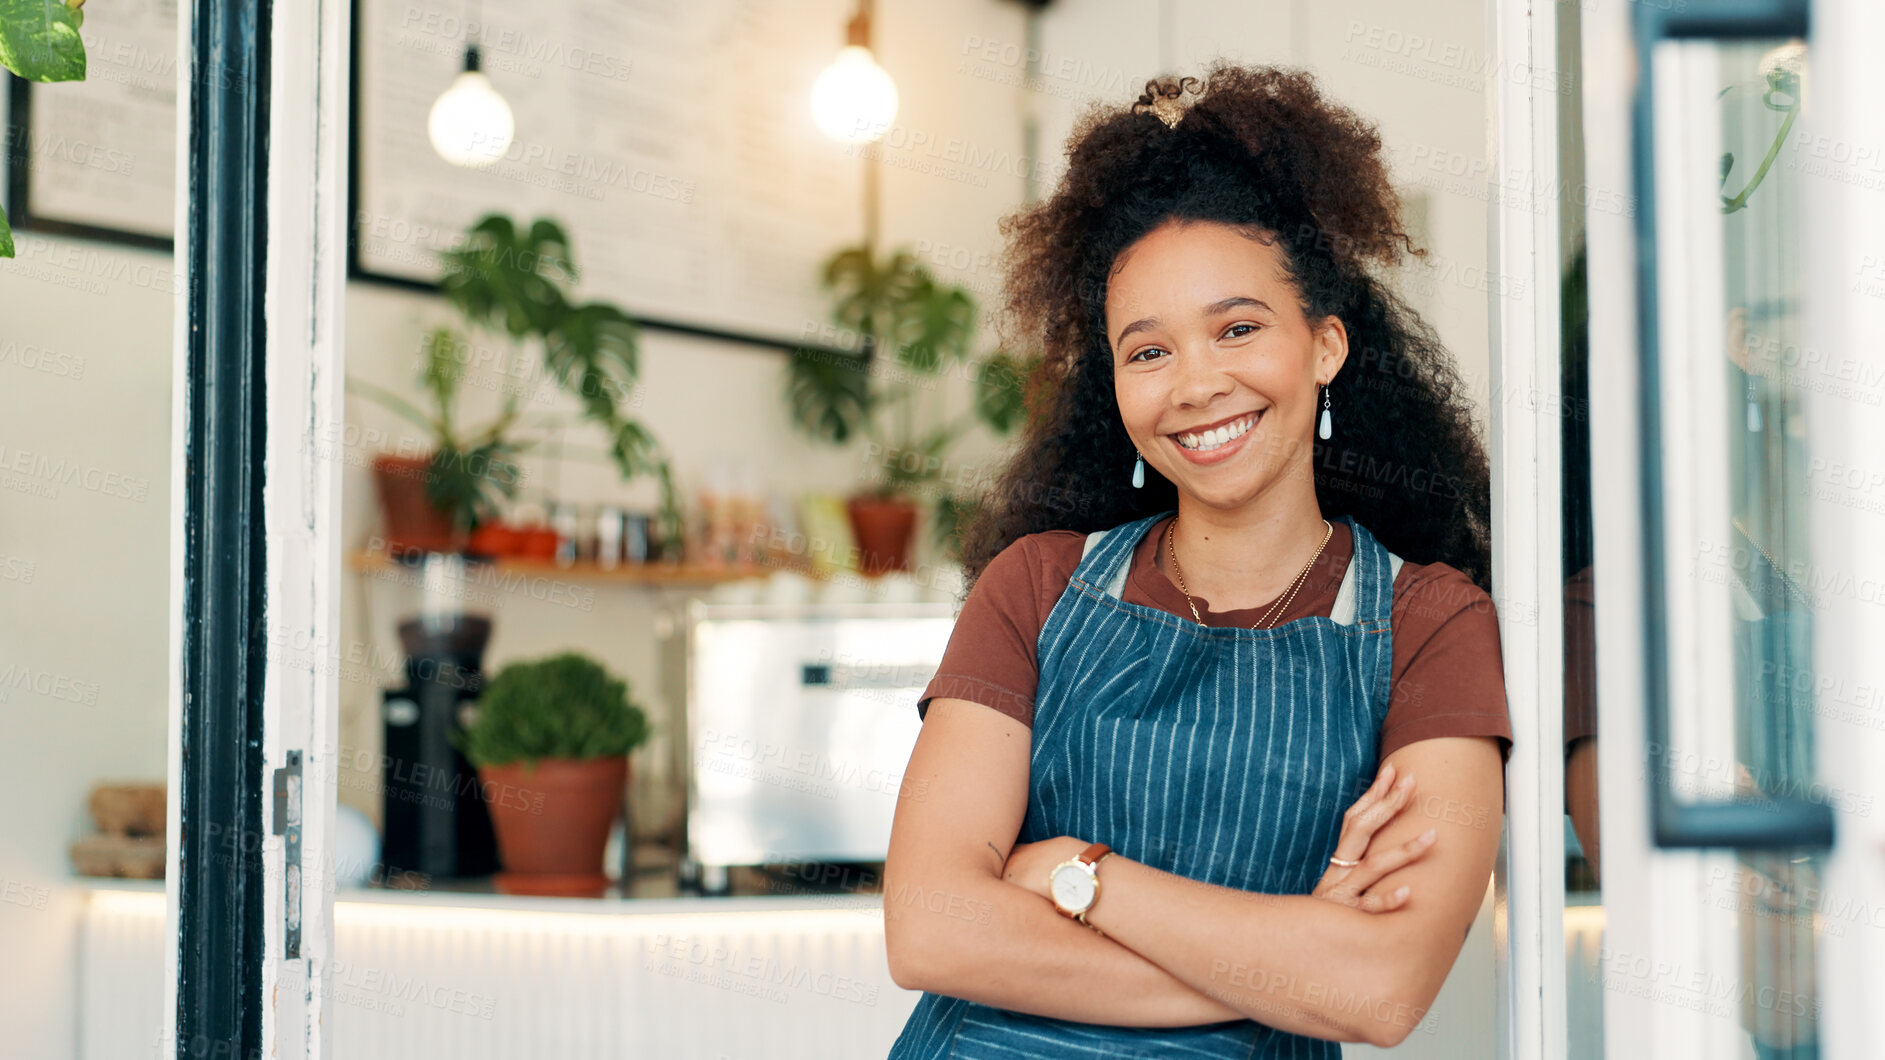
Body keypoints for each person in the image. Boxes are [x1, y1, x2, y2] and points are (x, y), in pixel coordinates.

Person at [881, 63, 1512, 1057]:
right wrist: (1283, 968)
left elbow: (1381, 986)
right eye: (1148, 351)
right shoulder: (1034, 587)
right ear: (1115, 388)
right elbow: (928, 928)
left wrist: (1079, 876)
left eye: (1237, 328)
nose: (1197, 383)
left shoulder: (1435, 623)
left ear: (1325, 345)